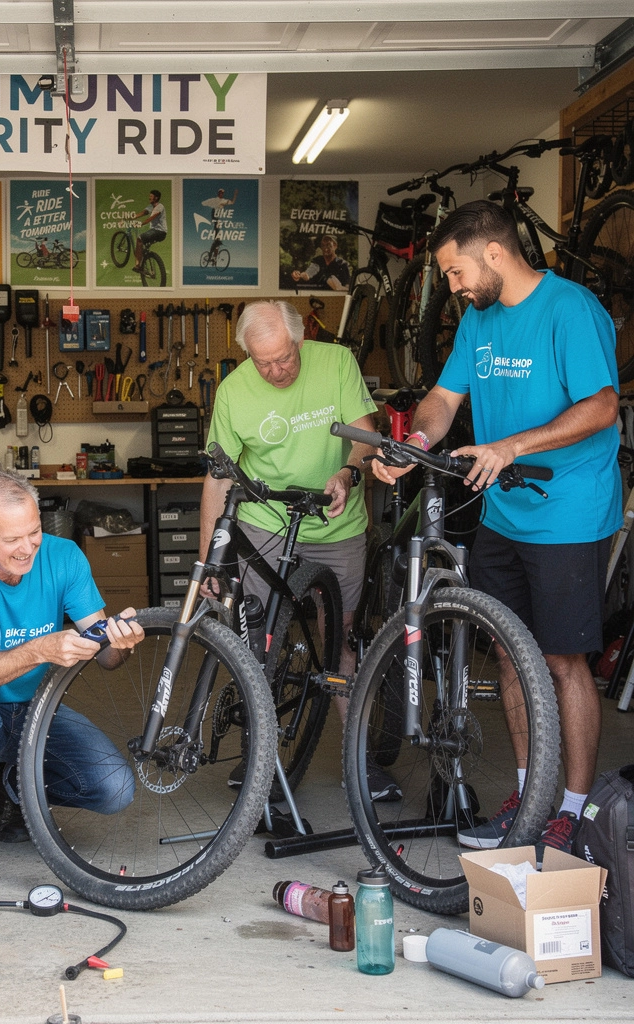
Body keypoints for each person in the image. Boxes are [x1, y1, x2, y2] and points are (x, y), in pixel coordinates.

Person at [373, 199, 621, 859]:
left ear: (493, 252)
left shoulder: (569, 310)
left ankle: (572, 810)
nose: (452, 287)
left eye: (455, 272)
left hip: (568, 511)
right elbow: (443, 397)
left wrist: (511, 446)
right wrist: (415, 442)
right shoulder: (477, 321)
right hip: (504, 514)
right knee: (511, 652)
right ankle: (530, 795)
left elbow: (602, 405)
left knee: (564, 660)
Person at [198, 300, 399, 800]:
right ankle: (257, 756)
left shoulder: (337, 362)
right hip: (266, 524)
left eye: (284, 358)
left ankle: (358, 759)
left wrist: (347, 474)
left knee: (339, 638)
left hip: (336, 524)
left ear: (300, 338)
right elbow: (217, 480)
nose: (275, 371)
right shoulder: (233, 390)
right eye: (262, 362)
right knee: (259, 642)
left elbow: (367, 438)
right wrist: (209, 561)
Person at [0, 470, 144, 871]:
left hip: (33, 708)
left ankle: (9, 785)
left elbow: (106, 657)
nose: (27, 549)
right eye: (12, 539)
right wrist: (40, 649)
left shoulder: (64, 556)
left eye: (34, 532)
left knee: (115, 789)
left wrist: (119, 641)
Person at [134, 189, 167, 271]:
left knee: (139, 239)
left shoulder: (160, 207)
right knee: (144, 246)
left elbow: (151, 218)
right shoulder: (151, 206)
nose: (149, 198)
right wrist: (131, 217)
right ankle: (145, 257)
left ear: (156, 198)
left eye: (151, 196)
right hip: (156, 231)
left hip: (159, 231)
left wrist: (140, 224)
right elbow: (143, 213)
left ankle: (137, 266)